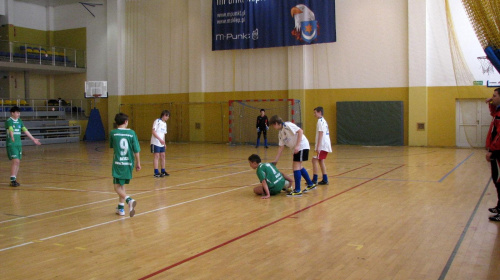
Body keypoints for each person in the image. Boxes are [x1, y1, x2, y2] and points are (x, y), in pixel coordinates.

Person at [269, 115, 316, 196]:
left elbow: (300, 131)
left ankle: (297, 190)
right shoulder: (280, 133)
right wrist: (276, 160)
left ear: (276, 123)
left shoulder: (287, 125)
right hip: (297, 148)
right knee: (299, 167)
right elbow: (281, 147)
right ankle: (310, 184)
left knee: (295, 167)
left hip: (302, 146)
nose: (273, 127)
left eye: (273, 125)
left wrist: (297, 146)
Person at [110, 113, 141, 217]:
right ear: (126, 122)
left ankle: (129, 200)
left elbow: (112, 146)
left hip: (118, 163)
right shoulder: (132, 133)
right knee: (121, 185)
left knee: (116, 187)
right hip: (129, 163)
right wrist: (138, 163)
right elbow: (136, 150)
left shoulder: (113, 133)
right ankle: (121, 209)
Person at [5, 106, 41, 187]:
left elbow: (25, 130)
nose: (18, 114)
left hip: (18, 144)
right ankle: (12, 180)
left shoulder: (20, 121)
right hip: (11, 144)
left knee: (18, 162)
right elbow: (10, 128)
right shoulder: (9, 121)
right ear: (12, 113)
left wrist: (33, 139)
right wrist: (12, 136)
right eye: (17, 112)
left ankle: (14, 179)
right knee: (16, 161)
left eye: (19, 112)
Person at [486, 89, 500, 222]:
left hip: (498, 152)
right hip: (496, 152)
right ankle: (499, 206)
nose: (492, 98)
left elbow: (499, 136)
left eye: (495, 96)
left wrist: (492, 151)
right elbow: (493, 113)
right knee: (497, 180)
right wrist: (490, 103)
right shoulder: (498, 112)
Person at [312, 106, 332, 185]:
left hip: (322, 145)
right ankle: (325, 179)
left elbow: (321, 133)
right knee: (321, 160)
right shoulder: (324, 121)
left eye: (315, 112)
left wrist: (318, 147)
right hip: (325, 144)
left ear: (319, 112)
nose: (314, 114)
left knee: (314, 160)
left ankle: (315, 179)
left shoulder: (320, 121)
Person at [151, 110, 170, 177]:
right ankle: (156, 172)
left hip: (161, 143)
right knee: (156, 156)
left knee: (163, 156)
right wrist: (159, 139)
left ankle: (163, 171)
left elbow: (163, 134)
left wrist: (164, 143)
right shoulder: (157, 121)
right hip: (155, 142)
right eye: (166, 115)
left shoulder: (165, 124)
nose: (167, 117)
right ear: (162, 115)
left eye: (168, 116)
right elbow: (153, 131)